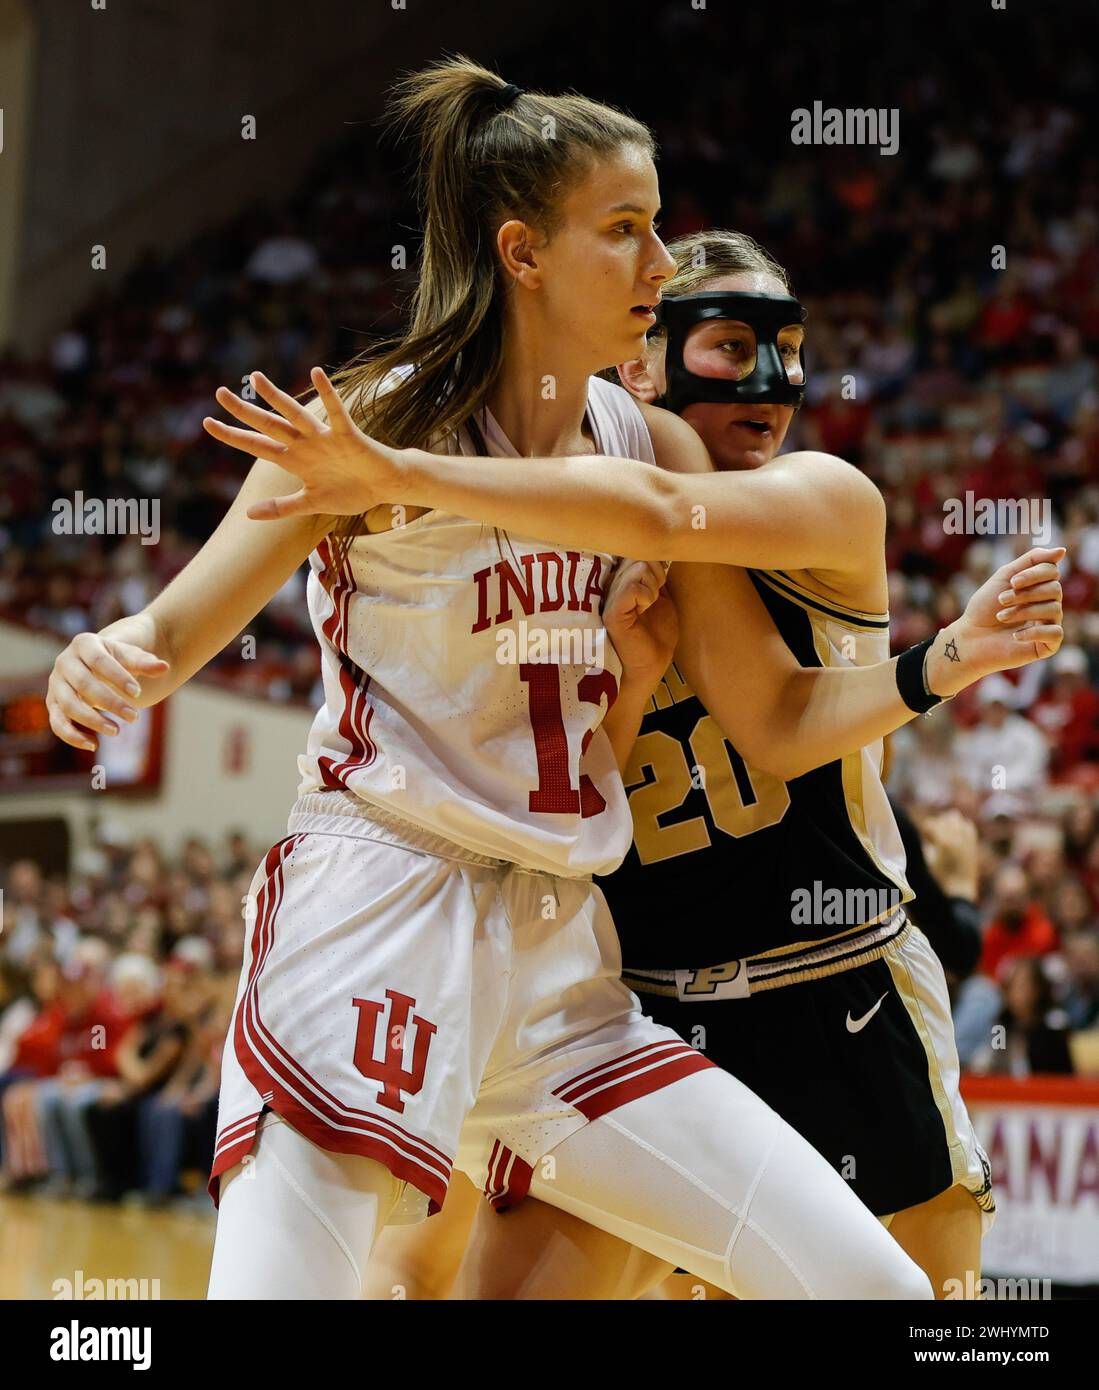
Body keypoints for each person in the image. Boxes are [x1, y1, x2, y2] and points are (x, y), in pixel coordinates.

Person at [53, 62, 1055, 1301]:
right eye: (625, 231)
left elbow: (711, 607)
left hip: (566, 949)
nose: (656, 265)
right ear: (522, 253)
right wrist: (98, 661)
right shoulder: (364, 420)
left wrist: (925, 661)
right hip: (377, 908)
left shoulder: (643, 439)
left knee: (885, 1297)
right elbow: (169, 629)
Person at [351, 230, 1043, 1300]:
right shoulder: (560, 535)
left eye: (789, 350)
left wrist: (939, 660)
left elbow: (755, 677)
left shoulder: (822, 496)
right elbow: (569, 797)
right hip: (642, 1007)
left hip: (837, 988)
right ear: (644, 360)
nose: (771, 385)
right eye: (730, 346)